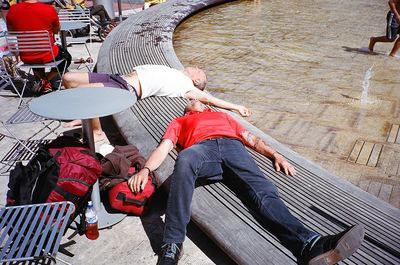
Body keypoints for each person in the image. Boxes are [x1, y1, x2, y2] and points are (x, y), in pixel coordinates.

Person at [127, 99, 365, 265]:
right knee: (185, 159)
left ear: (207, 106)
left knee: (263, 193)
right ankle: (172, 246)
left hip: (233, 149)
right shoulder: (179, 121)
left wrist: (275, 155)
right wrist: (146, 169)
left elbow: (250, 139)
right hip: (201, 152)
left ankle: (310, 245)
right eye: (190, 102)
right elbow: (165, 147)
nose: (193, 101)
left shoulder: (222, 116)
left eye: (197, 100)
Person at [62, 64, 251, 143]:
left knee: (87, 94)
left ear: (196, 82)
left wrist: (237, 107)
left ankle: (97, 131)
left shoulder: (187, 87)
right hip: (118, 78)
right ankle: (85, 117)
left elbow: (209, 99)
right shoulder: (174, 71)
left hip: (128, 89)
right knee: (69, 78)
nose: (196, 68)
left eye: (199, 72)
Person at [6, 0, 72, 94]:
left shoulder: (12, 10)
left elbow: (11, 31)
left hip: (26, 56)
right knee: (66, 57)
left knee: (34, 54)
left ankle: (42, 82)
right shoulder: (48, 9)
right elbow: (56, 30)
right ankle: (45, 80)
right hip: (48, 54)